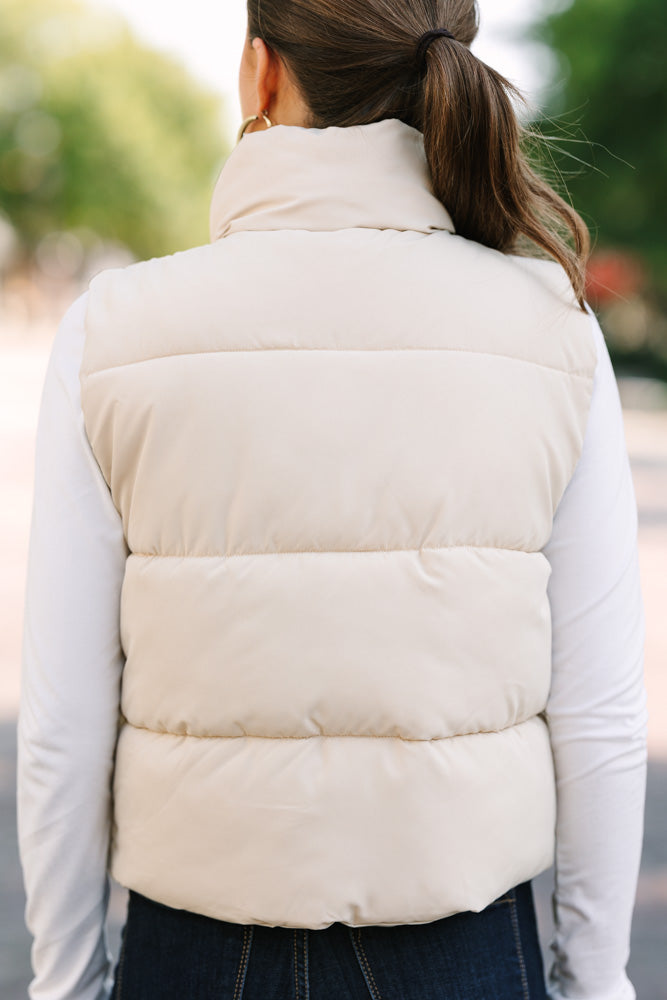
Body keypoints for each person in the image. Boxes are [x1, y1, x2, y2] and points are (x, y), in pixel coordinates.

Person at [17, 1, 648, 998]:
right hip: (465, 952)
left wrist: (65, 978)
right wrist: (594, 977)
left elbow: (64, 722)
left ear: (257, 74)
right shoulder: (552, 332)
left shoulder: (116, 331)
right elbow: (601, 717)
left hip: (194, 951)